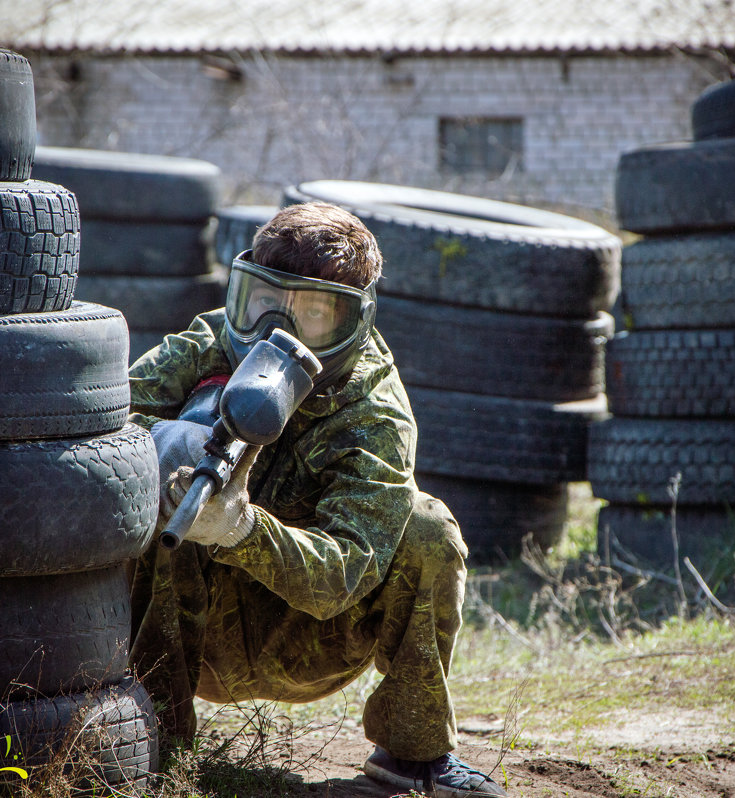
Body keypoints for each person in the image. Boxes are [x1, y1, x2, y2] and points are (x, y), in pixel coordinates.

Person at [126, 201, 509, 798]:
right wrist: (160, 442)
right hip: (185, 642)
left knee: (429, 530)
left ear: (353, 321)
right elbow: (100, 420)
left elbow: (344, 576)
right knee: (158, 502)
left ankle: (413, 758)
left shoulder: (374, 412)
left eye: (311, 314)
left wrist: (242, 531)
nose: (274, 331)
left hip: (308, 645)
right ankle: (153, 752)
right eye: (262, 302)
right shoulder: (209, 344)